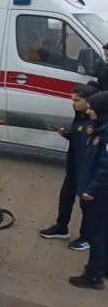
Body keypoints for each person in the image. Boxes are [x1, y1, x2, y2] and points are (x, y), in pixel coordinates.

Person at [40, 83, 99, 251]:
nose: (73, 103)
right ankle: (61, 227)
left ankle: (87, 237)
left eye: (77, 100)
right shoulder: (80, 116)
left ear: (89, 101)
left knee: (86, 205)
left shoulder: (95, 120)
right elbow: (79, 140)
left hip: (87, 170)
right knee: (65, 196)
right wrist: (67, 134)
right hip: (74, 166)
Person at [69, 91, 108, 289]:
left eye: (92, 108)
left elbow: (104, 167)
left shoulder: (105, 133)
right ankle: (101, 267)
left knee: (96, 233)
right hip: (96, 190)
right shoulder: (98, 128)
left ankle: (93, 276)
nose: (89, 111)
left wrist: (90, 190)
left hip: (98, 194)